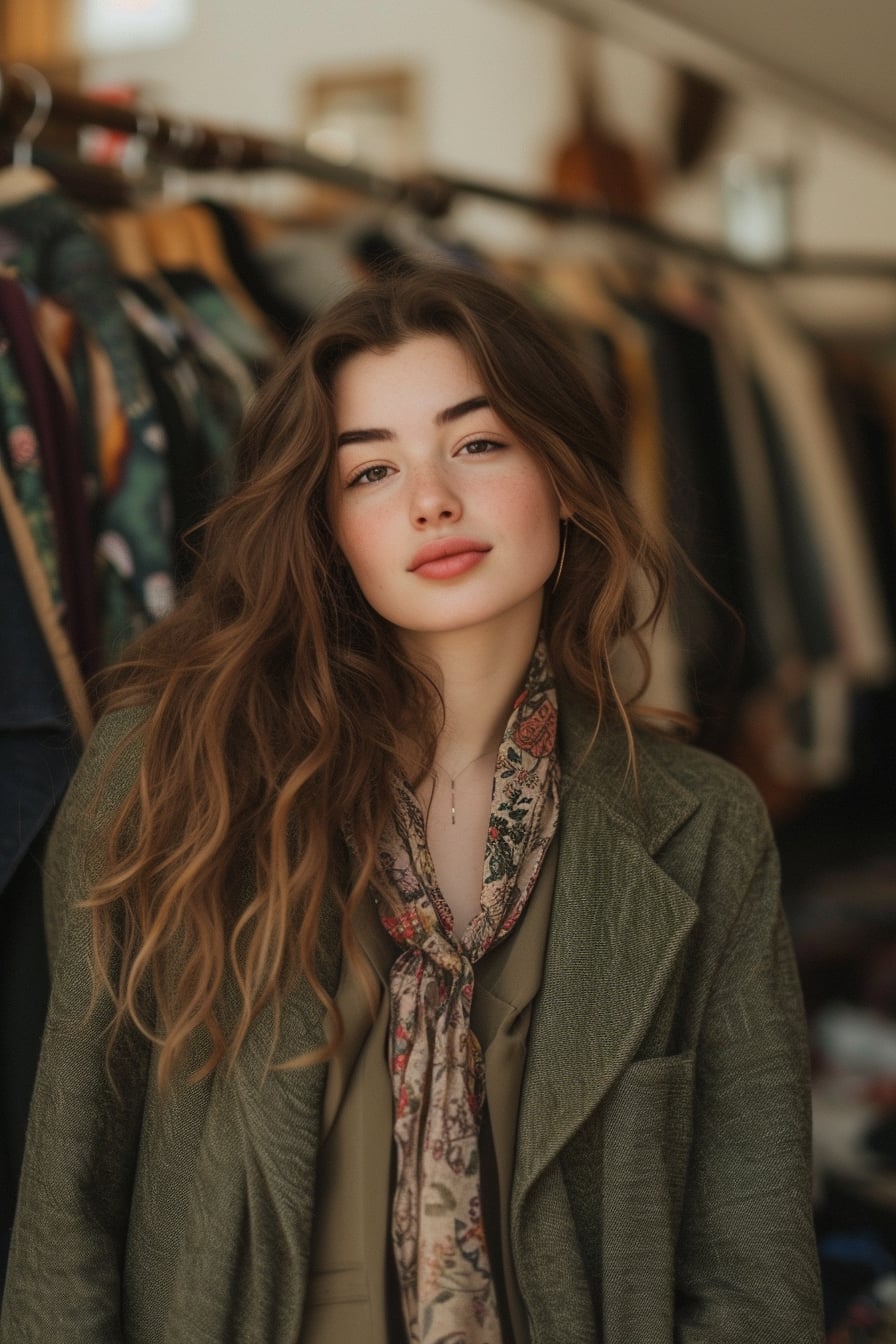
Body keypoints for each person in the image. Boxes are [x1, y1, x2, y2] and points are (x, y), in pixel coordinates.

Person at [1, 264, 823, 1343]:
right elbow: (65, 1207)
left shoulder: (698, 825)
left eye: (476, 444)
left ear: (565, 474)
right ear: (327, 525)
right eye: (370, 471)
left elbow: (750, 1264)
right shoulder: (170, 770)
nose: (431, 498)